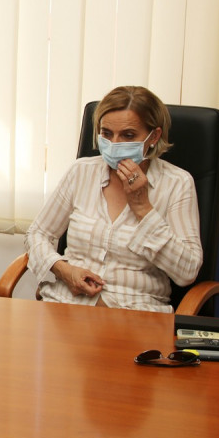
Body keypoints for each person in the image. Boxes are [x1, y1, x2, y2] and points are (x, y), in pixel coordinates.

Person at [24, 86, 202, 312]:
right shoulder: (81, 171)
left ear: (154, 136)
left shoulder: (177, 183)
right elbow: (37, 234)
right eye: (107, 134)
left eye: (128, 135)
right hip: (66, 304)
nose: (115, 143)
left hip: (136, 313)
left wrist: (143, 208)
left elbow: (187, 271)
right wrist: (64, 270)